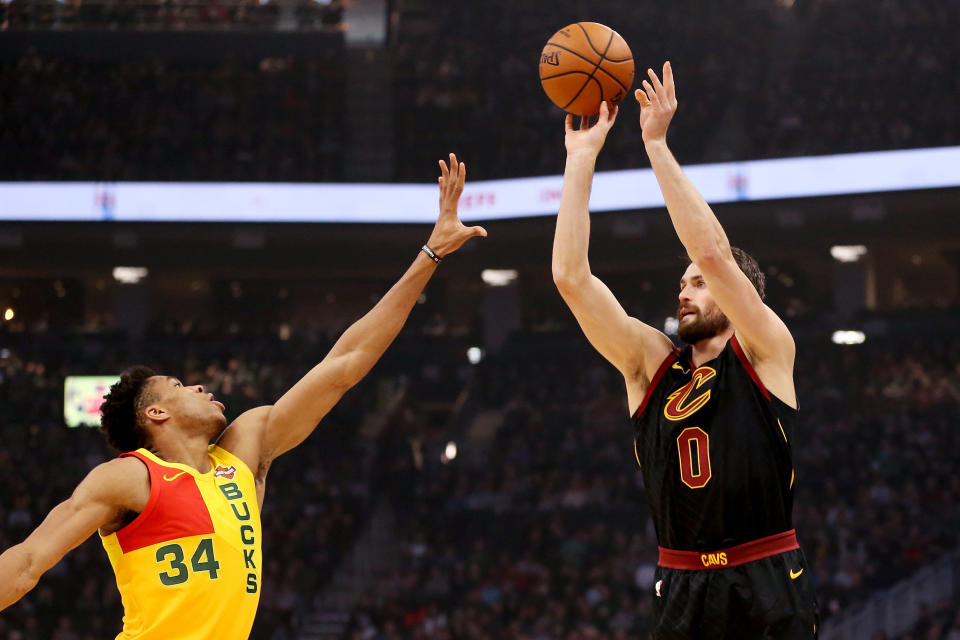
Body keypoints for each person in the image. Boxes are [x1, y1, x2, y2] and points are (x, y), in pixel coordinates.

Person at [0, 154, 486, 639]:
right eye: (180, 386)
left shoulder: (245, 447)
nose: (199, 387)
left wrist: (431, 254)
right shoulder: (130, 476)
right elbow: (26, 562)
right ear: (156, 413)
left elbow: (344, 365)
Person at [551, 63, 818, 639]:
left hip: (764, 573)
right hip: (679, 583)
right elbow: (571, 279)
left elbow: (716, 254)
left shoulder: (767, 351)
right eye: (683, 282)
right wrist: (580, 160)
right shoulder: (651, 363)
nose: (685, 289)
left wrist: (656, 146)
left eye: (697, 283)